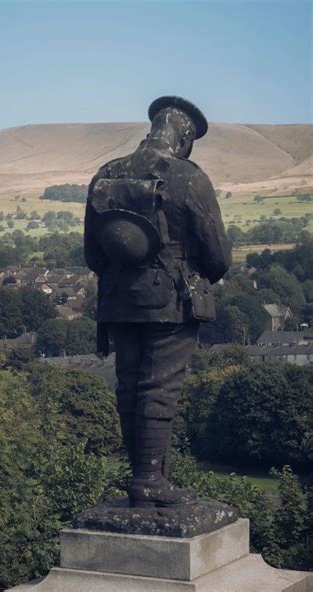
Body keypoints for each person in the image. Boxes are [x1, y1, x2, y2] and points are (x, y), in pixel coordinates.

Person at [84, 96, 232, 507]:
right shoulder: (188, 178)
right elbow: (218, 254)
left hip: (118, 301)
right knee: (159, 389)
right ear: (184, 137)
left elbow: (93, 254)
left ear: (152, 129)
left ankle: (143, 479)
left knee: (129, 387)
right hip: (172, 300)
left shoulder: (106, 175)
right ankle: (149, 480)